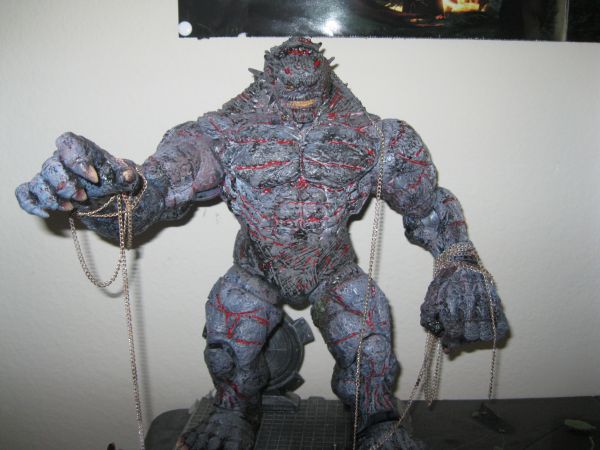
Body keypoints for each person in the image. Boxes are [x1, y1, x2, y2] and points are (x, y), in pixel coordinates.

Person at [16, 37, 508, 450]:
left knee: (371, 348)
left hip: (335, 272)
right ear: (268, 77)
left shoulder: (376, 137)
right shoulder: (220, 135)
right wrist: (102, 189)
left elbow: (429, 204)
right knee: (229, 344)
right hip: (255, 271)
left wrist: (458, 261)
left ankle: (376, 420)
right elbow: (152, 195)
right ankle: (234, 409)